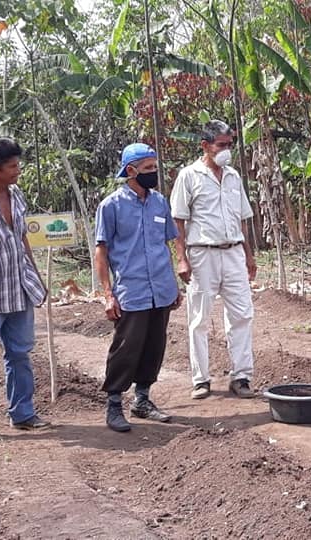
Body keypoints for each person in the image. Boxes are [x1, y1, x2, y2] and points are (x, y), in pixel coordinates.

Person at [95, 143, 182, 432]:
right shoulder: (111, 206)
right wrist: (108, 294)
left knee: (154, 346)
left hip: (161, 289)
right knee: (126, 348)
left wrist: (173, 285)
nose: (154, 172)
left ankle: (142, 400)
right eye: (148, 168)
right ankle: (114, 405)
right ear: (130, 171)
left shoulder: (159, 202)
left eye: (155, 167)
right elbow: (101, 252)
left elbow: (166, 243)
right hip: (131, 291)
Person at [170, 120, 257, 400]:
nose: (227, 150)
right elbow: (178, 220)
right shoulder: (189, 176)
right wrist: (182, 258)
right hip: (202, 253)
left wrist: (248, 255)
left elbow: (242, 219)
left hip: (233, 252)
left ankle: (241, 376)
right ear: (205, 146)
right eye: (221, 145)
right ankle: (201, 380)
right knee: (199, 319)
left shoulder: (233, 176)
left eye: (230, 145)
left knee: (242, 314)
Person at [0, 138, 50, 430]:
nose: (18, 170)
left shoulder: (16, 194)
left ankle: (22, 413)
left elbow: (22, 237)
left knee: (20, 354)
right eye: (12, 166)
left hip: (19, 290)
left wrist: (35, 276)